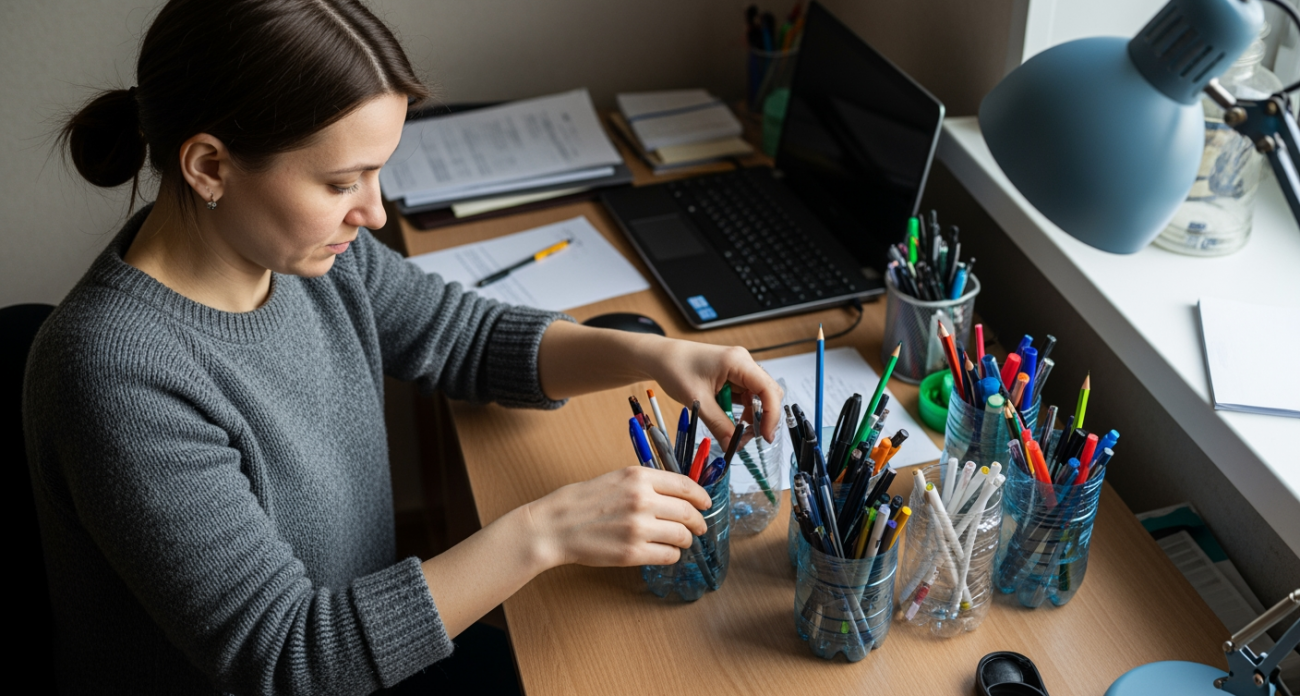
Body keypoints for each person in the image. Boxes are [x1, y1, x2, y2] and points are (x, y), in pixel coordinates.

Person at [23, 1, 784, 694]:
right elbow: (287, 655)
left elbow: (465, 337)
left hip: (361, 644)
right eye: (341, 181)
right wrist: (544, 531)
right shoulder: (116, 373)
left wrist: (654, 356)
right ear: (210, 167)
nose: (375, 213)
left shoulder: (308, 254)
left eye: (377, 172)